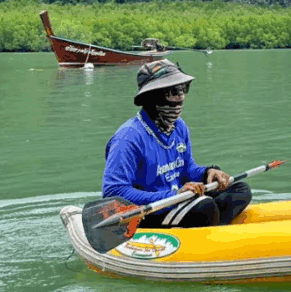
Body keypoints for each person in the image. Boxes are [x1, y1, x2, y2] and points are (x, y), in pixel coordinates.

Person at [102, 59, 252, 228]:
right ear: (152, 97)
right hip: (149, 212)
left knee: (241, 191)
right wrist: (171, 195)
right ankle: (208, 224)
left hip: (179, 200)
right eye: (173, 91)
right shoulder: (128, 138)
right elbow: (113, 192)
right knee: (205, 207)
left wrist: (208, 173)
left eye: (183, 89)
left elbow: (186, 170)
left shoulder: (179, 127)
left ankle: (209, 224)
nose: (181, 97)